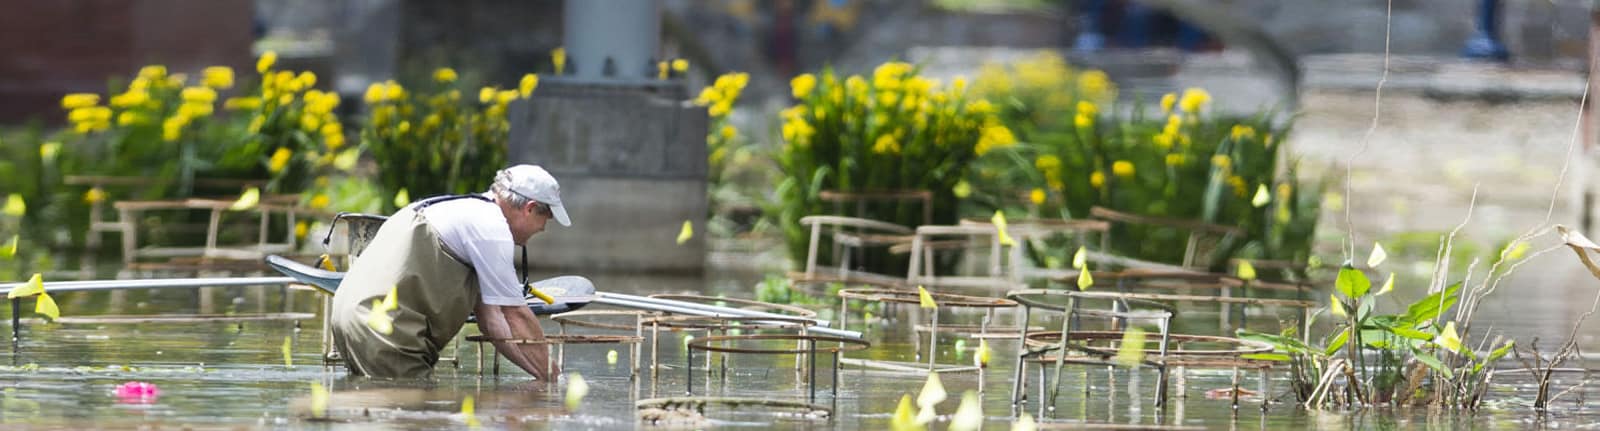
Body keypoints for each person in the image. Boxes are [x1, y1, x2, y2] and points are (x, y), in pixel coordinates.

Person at [330, 164, 571, 379]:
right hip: (384, 330)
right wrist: (552, 380)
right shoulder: (492, 230)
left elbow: (492, 321)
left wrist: (541, 374)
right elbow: (516, 313)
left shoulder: (462, 212)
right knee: (412, 409)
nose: (543, 229)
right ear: (529, 209)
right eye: (546, 218)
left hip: (349, 318)